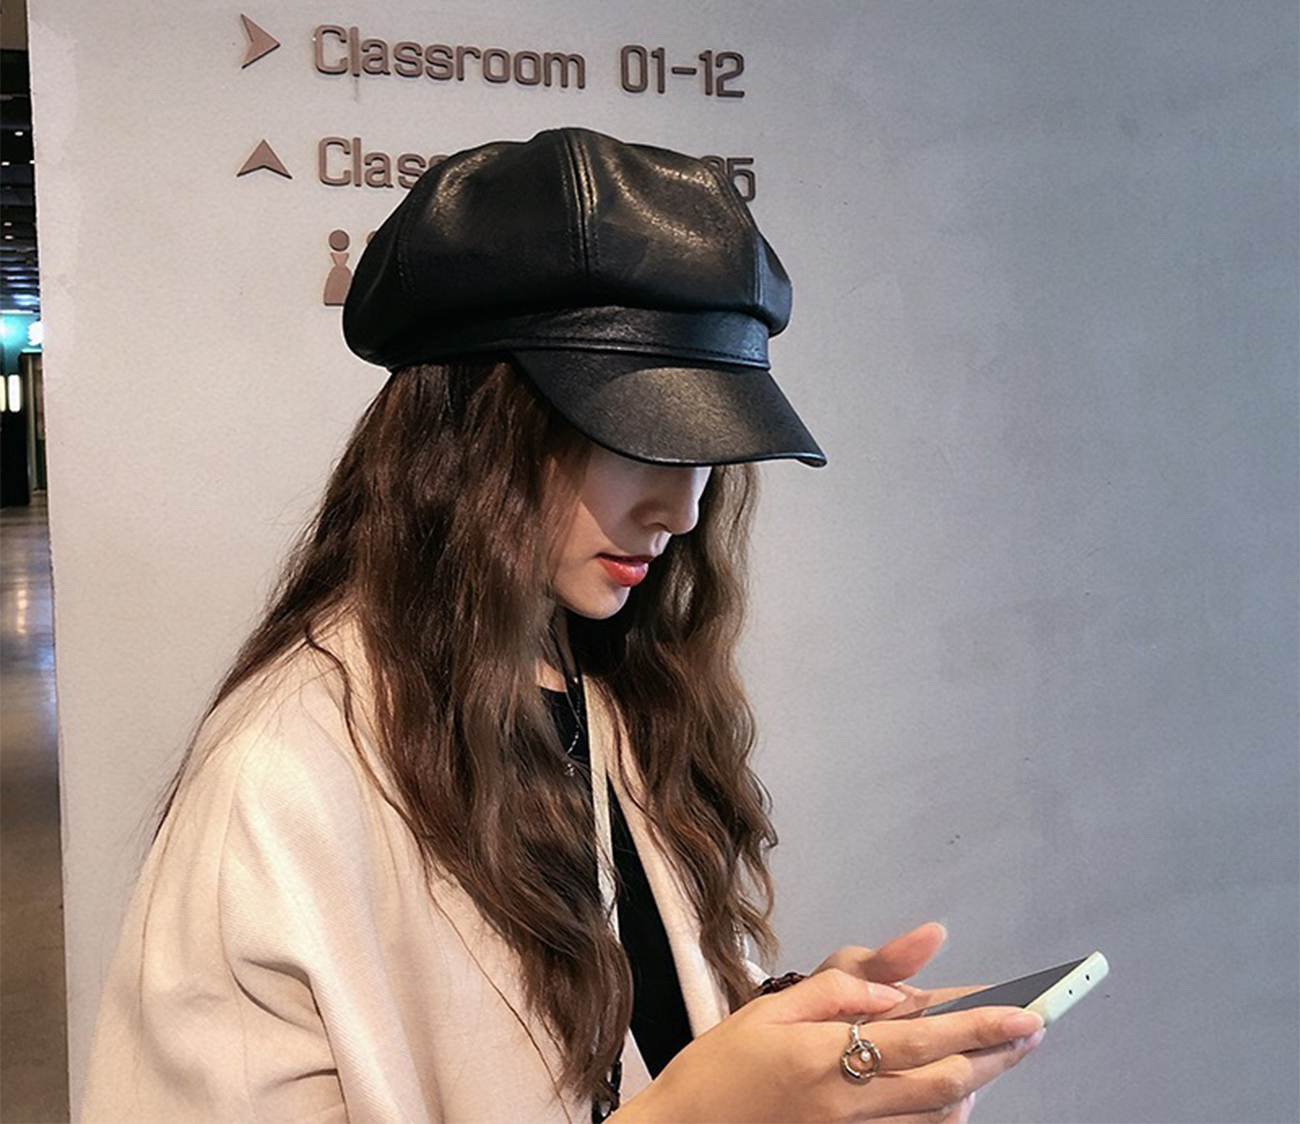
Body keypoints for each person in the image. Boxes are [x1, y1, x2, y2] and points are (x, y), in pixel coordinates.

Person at [81, 128, 1044, 1124]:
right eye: (640, 438)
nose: (681, 510)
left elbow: (623, 1055)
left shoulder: (610, 684)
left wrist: (785, 1038)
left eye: (707, 451)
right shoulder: (284, 780)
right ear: (472, 431)